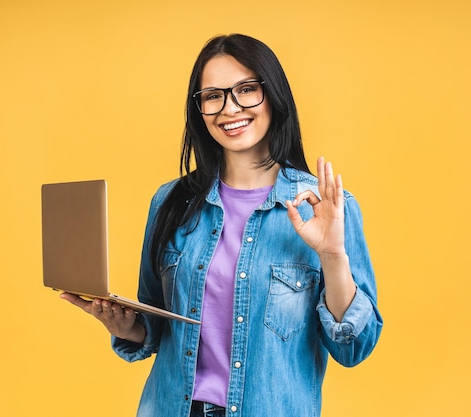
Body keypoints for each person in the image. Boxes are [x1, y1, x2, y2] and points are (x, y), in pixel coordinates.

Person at [61, 33, 383, 417]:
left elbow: (353, 347)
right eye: (213, 96)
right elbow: (153, 323)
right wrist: (123, 325)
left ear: (274, 95)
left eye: (246, 90)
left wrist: (332, 256)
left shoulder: (326, 206)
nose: (229, 108)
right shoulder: (171, 201)